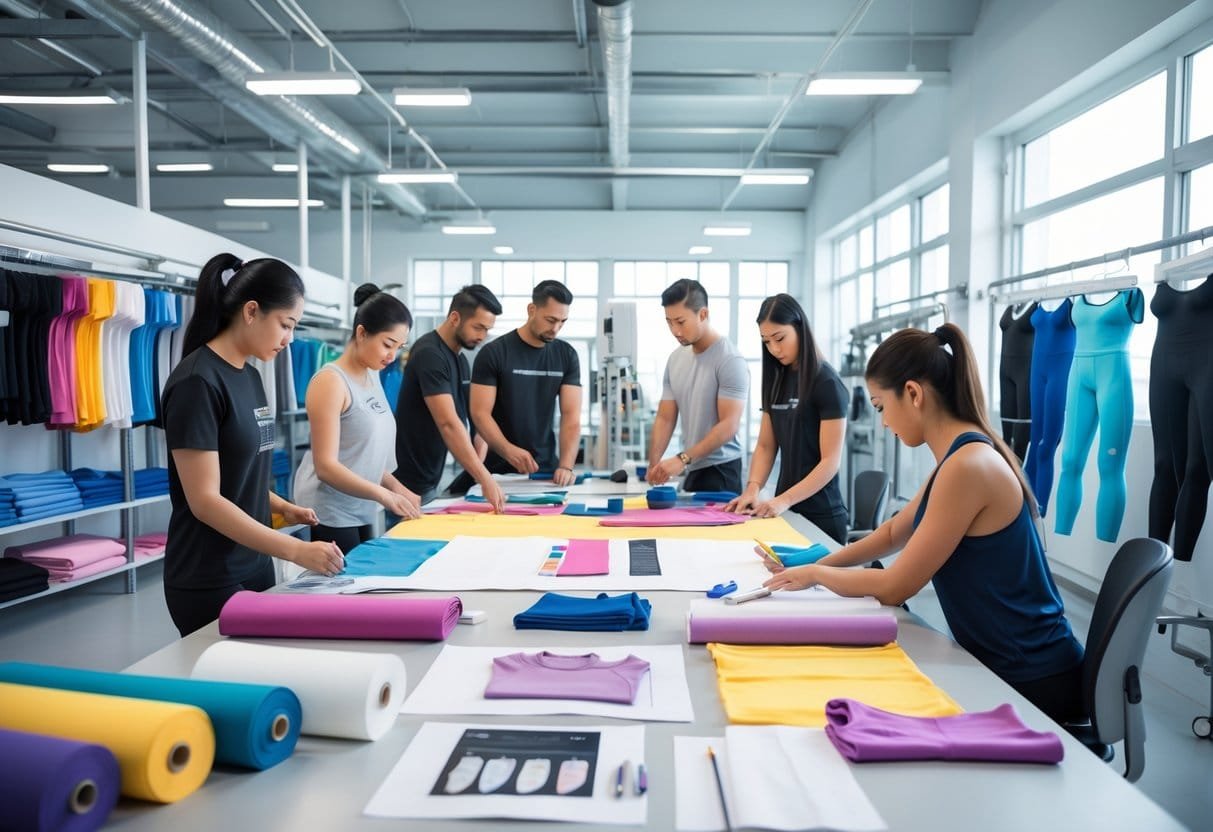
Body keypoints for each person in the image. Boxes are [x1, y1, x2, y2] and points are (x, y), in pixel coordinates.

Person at [763, 323, 1086, 724]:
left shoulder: (968, 466)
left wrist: (816, 574)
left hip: (1035, 679)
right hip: (1018, 663)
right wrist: (821, 566)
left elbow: (894, 586)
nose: (882, 422)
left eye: (881, 407)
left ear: (913, 393)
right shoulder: (959, 455)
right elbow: (894, 532)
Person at [161, 254, 344, 637]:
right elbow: (205, 500)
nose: (289, 339)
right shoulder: (197, 382)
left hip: (256, 563)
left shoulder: (250, 375)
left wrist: (281, 507)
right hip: (209, 577)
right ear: (251, 311)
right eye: (285, 325)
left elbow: (239, 474)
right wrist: (295, 550)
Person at [291, 283, 422, 553]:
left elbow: (363, 453)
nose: (392, 356)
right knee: (345, 588)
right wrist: (384, 495)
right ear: (362, 333)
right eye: (388, 344)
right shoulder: (331, 382)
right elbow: (326, 466)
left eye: (399, 347)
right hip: (329, 509)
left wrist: (399, 489)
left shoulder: (371, 374)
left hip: (362, 504)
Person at [724, 294, 850, 543]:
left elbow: (829, 462)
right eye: (766, 341)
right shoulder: (777, 380)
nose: (774, 349)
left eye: (780, 338)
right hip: (787, 512)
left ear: (800, 328)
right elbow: (766, 445)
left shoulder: (826, 382)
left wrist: (784, 500)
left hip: (821, 514)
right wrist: (752, 488)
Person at [393, 284, 506, 512]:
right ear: (455, 317)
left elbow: (476, 416)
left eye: (487, 330)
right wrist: (484, 478)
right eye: (478, 327)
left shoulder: (460, 360)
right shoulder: (430, 354)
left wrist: (478, 467)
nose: (483, 337)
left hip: (432, 476)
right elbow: (448, 424)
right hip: (409, 480)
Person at [463, 280, 582, 489]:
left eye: (562, 321)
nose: (556, 329)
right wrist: (508, 450)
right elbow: (480, 413)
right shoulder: (494, 353)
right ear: (531, 310)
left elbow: (571, 416)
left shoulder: (567, 355)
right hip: (497, 473)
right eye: (550, 319)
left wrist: (566, 466)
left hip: (545, 473)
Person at [646, 278, 749, 493]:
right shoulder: (675, 359)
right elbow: (665, 417)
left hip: (722, 470)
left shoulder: (730, 359)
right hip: (693, 467)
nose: (674, 330)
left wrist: (682, 458)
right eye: (669, 322)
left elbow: (729, 425)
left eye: (680, 321)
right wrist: (654, 464)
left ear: (703, 314)